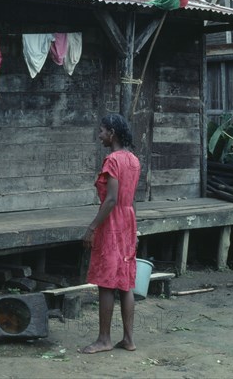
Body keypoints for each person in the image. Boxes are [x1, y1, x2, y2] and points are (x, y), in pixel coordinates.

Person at [80, 113, 141, 354]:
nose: (100, 135)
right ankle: (128, 339)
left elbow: (111, 199)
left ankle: (104, 339)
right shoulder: (133, 160)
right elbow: (129, 198)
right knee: (125, 283)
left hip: (113, 221)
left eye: (102, 131)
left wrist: (92, 227)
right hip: (129, 219)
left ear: (112, 134)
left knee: (106, 283)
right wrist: (135, 230)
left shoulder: (112, 160)